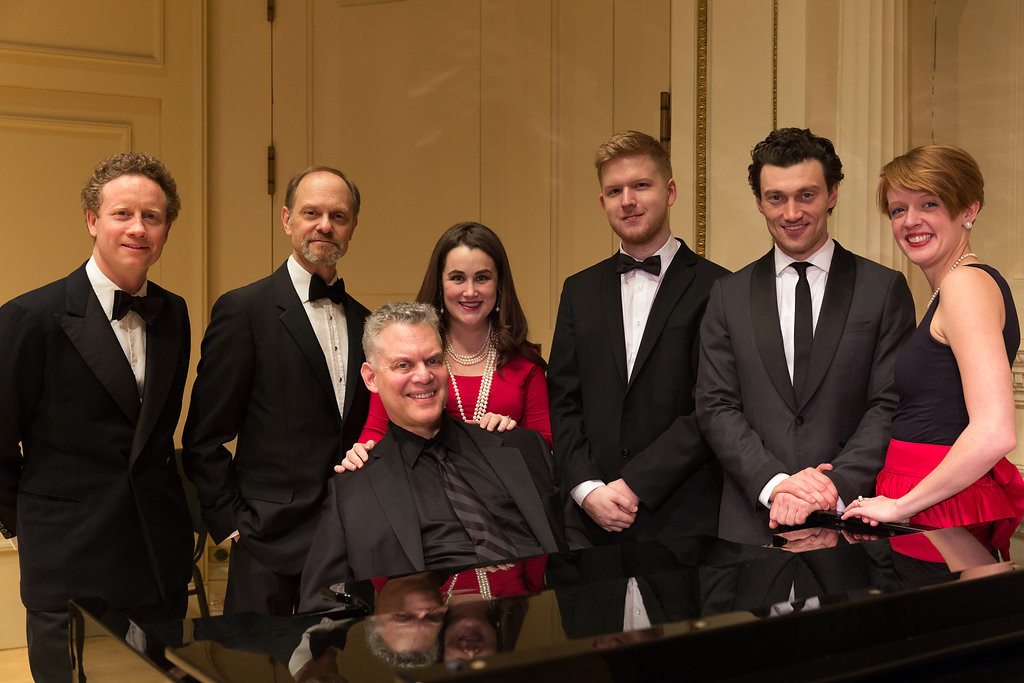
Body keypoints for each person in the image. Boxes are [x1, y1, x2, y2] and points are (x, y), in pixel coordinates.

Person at [0, 152, 193, 682]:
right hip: (69, 560)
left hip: (158, 561)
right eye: (122, 213)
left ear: (167, 227)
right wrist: (31, 526)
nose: (138, 228)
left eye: (152, 217)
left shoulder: (174, 313)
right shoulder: (28, 318)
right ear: (92, 220)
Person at [696, 128, 916, 544]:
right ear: (759, 202)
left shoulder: (883, 289)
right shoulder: (727, 295)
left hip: (852, 521)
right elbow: (715, 404)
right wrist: (776, 483)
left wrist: (832, 486)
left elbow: (890, 402)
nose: (791, 212)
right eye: (776, 198)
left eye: (807, 195)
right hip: (752, 523)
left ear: (833, 194)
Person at [183, 166, 371, 615]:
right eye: (312, 212)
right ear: (287, 220)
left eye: (338, 216)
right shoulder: (243, 311)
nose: (325, 225)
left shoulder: (367, 322)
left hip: (351, 544)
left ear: (352, 227)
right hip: (267, 544)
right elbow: (203, 438)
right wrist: (233, 525)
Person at [298, 302, 565, 610]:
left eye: (433, 360)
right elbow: (319, 609)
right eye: (403, 365)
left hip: (540, 632)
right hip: (427, 647)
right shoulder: (353, 489)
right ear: (371, 378)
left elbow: (576, 558)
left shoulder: (521, 448)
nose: (423, 376)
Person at [547, 130, 729, 546]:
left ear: (670, 191)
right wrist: (587, 488)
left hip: (684, 517)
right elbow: (563, 399)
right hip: (589, 522)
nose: (627, 200)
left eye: (640, 185)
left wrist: (635, 485)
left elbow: (713, 405)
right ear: (603, 202)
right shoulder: (579, 290)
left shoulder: (719, 287)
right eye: (615, 190)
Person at [843, 145, 1024, 553]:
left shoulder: (965, 285)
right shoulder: (950, 289)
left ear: (969, 210)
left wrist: (901, 505)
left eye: (929, 203)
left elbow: (995, 431)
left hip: (940, 503)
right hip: (929, 496)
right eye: (897, 210)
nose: (911, 221)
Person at [339, 222, 551, 472]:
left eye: (482, 278)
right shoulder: (409, 354)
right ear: (440, 284)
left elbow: (545, 451)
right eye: (457, 278)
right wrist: (360, 453)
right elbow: (376, 433)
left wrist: (514, 435)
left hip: (502, 496)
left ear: (499, 285)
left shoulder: (527, 363)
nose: (470, 291)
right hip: (419, 493)